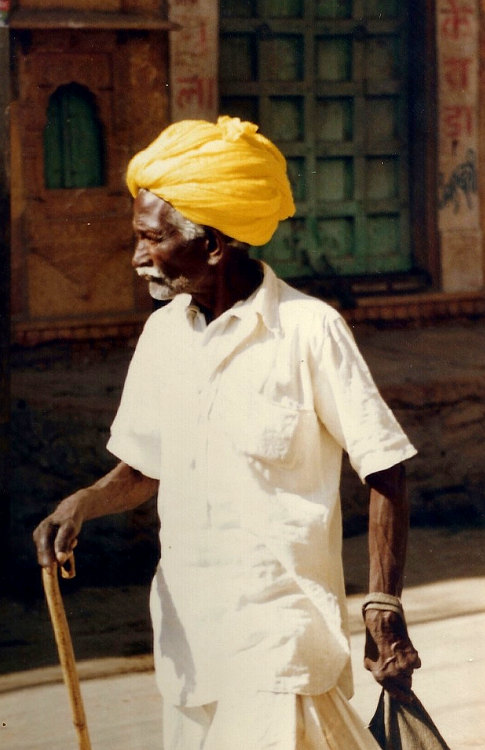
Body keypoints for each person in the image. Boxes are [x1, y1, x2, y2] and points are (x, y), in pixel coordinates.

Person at [34, 116, 421, 749]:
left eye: (151, 239)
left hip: (279, 638)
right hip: (190, 640)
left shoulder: (309, 330)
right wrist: (83, 503)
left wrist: (384, 603)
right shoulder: (163, 336)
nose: (136, 257)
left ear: (213, 245)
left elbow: (385, 467)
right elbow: (144, 467)